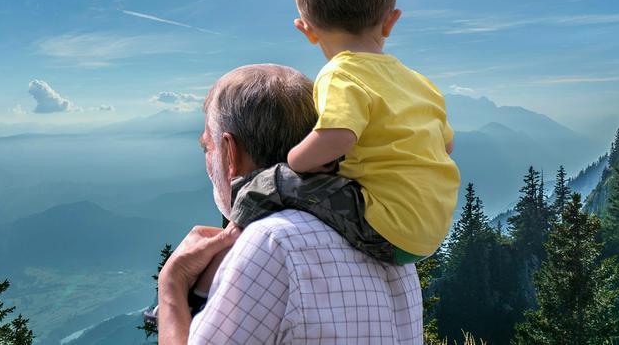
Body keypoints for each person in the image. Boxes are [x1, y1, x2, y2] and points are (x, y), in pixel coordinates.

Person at [229, 0, 460, 265]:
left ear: (306, 29)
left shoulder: (340, 73)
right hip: (432, 230)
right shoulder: (420, 83)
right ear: (390, 21)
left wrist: (296, 159)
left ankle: (220, 266)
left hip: (386, 227)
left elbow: (339, 137)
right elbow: (446, 148)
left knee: (266, 185)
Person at [158, 64, 423, 344]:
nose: (206, 158)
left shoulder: (271, 243)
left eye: (206, 147)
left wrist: (173, 285)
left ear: (230, 154)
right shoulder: (382, 234)